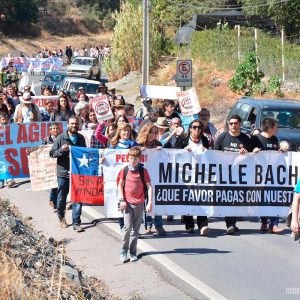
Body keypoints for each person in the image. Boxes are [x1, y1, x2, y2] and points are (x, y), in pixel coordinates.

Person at [214, 115, 253, 234]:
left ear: (240, 124)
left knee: (238, 199)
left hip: (240, 175)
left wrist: (246, 153)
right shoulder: (222, 137)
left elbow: (251, 156)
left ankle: (233, 222)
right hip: (225, 174)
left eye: (235, 123)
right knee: (228, 198)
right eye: (231, 123)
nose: (233, 126)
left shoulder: (245, 138)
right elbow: (214, 153)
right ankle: (229, 223)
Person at [49, 116, 86, 232]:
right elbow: (52, 153)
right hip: (63, 173)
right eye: (72, 124)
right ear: (67, 124)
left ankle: (76, 222)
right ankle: (61, 218)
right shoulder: (61, 138)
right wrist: (61, 150)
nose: (74, 126)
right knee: (61, 198)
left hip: (77, 173)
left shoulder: (81, 138)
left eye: (76, 124)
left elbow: (85, 153)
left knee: (78, 198)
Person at [250, 117, 286, 234]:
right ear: (269, 127)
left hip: (273, 176)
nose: (277, 129)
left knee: (273, 197)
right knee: (262, 199)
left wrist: (281, 151)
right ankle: (264, 222)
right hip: (259, 175)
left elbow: (275, 155)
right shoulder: (256, 139)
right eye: (276, 127)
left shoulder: (274, 139)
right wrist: (253, 152)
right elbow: (247, 156)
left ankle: (274, 224)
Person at [175, 119, 210, 236]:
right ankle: (189, 225)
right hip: (186, 175)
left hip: (201, 175)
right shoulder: (183, 140)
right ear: (190, 129)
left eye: (199, 127)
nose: (197, 129)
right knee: (188, 199)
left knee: (202, 199)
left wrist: (207, 151)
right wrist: (183, 151)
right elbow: (173, 153)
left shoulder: (204, 140)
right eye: (194, 127)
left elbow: (211, 156)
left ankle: (203, 225)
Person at [118, 147, 153, 263]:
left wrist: (149, 203)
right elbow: (120, 185)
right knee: (127, 228)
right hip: (127, 204)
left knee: (135, 231)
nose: (132, 161)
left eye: (135, 159)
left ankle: (133, 252)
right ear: (128, 158)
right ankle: (123, 251)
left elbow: (149, 187)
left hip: (139, 204)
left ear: (139, 159)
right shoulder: (125, 170)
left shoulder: (143, 171)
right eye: (131, 158)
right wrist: (122, 200)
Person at [136, 123, 166, 236]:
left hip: (155, 176)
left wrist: (160, 150)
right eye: (152, 132)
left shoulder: (158, 144)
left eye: (155, 132)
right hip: (142, 176)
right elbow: (132, 155)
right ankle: (148, 225)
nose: (154, 134)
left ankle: (159, 225)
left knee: (156, 200)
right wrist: (140, 150)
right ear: (146, 132)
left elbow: (164, 157)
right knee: (145, 201)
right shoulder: (139, 144)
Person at [42, 122, 61, 212]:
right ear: (50, 131)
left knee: (60, 185)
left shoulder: (62, 138)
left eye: (57, 128)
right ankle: (54, 202)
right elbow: (40, 151)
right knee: (54, 185)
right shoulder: (46, 140)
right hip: (50, 165)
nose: (56, 130)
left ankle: (55, 201)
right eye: (53, 128)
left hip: (60, 164)